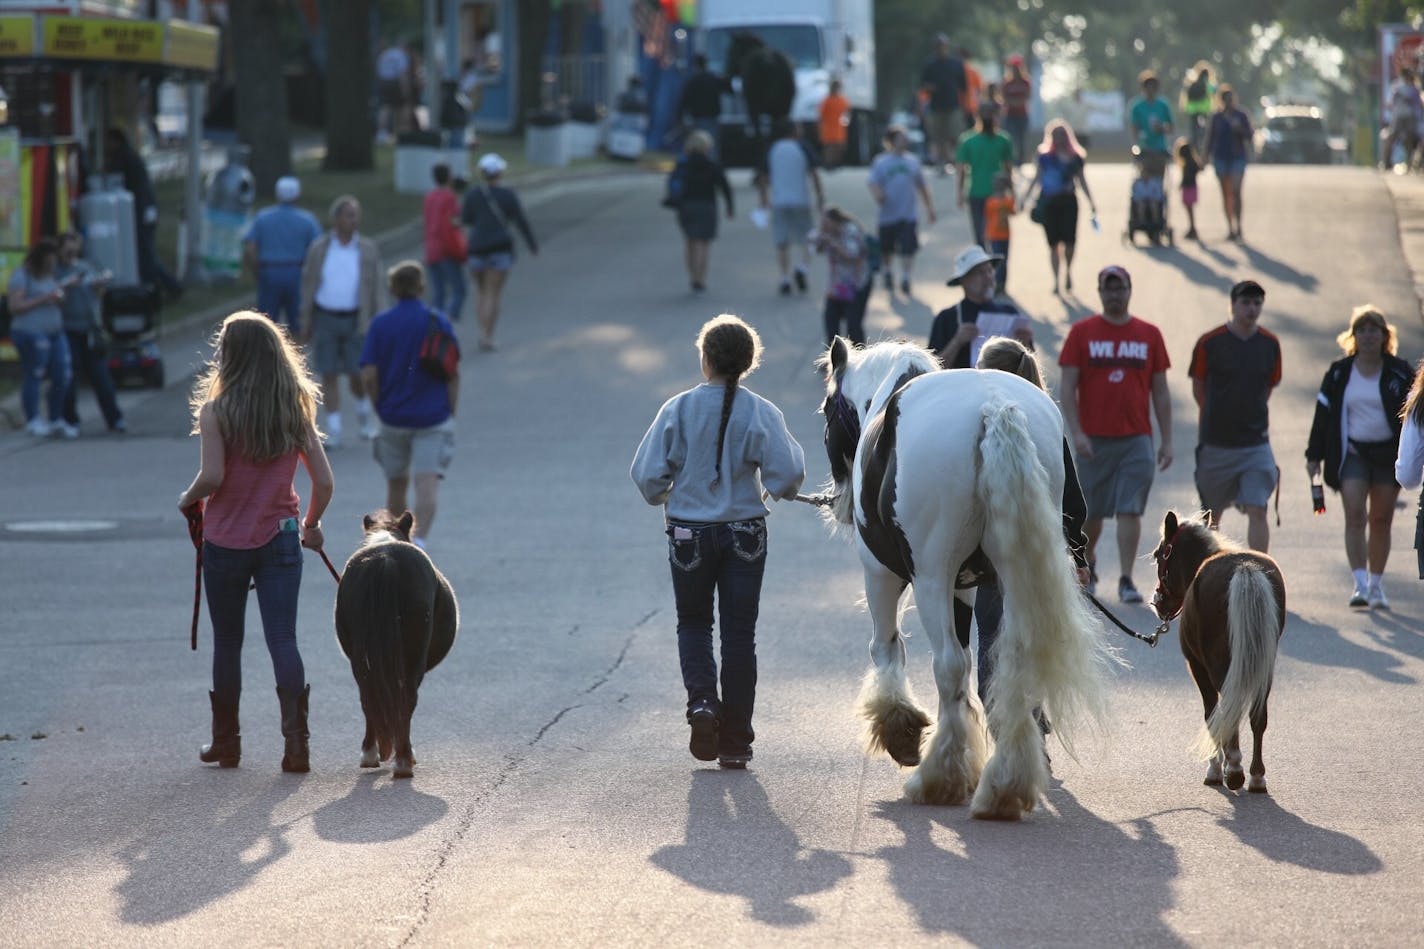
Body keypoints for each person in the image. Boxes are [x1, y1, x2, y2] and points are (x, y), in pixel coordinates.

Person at [630, 314, 806, 769]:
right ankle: (735, 741)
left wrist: (673, 495)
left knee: (693, 624)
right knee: (739, 634)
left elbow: (647, 477)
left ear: (705, 358)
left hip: (689, 532)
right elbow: (787, 476)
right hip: (745, 531)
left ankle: (703, 704)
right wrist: (770, 490)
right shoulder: (762, 411)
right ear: (749, 363)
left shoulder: (678, 408)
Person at [177, 311, 334, 773]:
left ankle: (227, 743)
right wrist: (311, 523)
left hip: (226, 542)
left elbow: (213, 476)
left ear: (232, 355)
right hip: (281, 538)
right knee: (283, 638)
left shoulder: (216, 412)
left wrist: (187, 499)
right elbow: (323, 482)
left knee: (227, 641)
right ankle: (297, 746)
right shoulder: (295, 407)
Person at [972, 337, 1091, 708]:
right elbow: (1070, 495)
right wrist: (1078, 553)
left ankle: (997, 724)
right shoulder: (1044, 420)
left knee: (992, 635)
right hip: (1039, 555)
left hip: (988, 555)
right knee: (1033, 637)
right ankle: (1035, 728)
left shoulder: (974, 422)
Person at [1058, 265, 1173, 602]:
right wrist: (1076, 433)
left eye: (1119, 288)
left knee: (1130, 509)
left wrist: (1166, 440)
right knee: (1092, 513)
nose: (1114, 295)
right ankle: (1088, 564)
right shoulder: (1082, 333)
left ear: (1129, 290)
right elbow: (1067, 387)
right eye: (1108, 289)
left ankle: (1126, 579)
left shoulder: (1148, 334)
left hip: (1136, 438)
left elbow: (1161, 392)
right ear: (1099, 292)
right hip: (1093, 441)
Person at [1306, 306, 1412, 610]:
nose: (1367, 336)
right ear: (1353, 336)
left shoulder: (1399, 371)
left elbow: (1416, 418)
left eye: (1373, 330)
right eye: (1361, 330)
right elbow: (1322, 416)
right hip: (1352, 454)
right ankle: (1360, 584)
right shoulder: (1339, 373)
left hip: (1387, 456)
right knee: (1355, 514)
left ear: (1384, 336)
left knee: (1381, 520)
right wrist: (1314, 456)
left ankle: (1377, 586)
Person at [359, 262, 459, 549]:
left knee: (396, 484)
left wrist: (380, 404)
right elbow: (453, 372)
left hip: (393, 417)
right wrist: (450, 409)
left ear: (392, 288)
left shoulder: (380, 325)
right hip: (432, 417)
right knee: (426, 485)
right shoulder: (438, 321)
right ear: (422, 287)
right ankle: (422, 542)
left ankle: (398, 542)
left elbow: (368, 374)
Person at [1188, 280, 1282, 552]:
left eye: (1257, 303)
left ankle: (1259, 566)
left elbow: (1269, 385)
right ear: (1232, 305)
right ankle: (1211, 569)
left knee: (1257, 507)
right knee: (1211, 516)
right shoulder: (1210, 342)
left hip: (1255, 443)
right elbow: (1198, 386)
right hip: (1216, 445)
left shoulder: (1270, 343)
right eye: (1246, 303)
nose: (1252, 309)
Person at [299, 195, 384, 449]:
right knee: (328, 373)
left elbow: (376, 287)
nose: (354, 219)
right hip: (325, 316)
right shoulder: (320, 247)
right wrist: (305, 319)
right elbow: (308, 283)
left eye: (356, 214)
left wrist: (379, 322)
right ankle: (334, 429)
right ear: (336, 219)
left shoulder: (367, 248)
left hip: (356, 319)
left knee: (357, 372)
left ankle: (364, 417)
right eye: (348, 215)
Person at [461, 152, 539, 351]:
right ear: (500, 173)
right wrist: (532, 245)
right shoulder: (508, 195)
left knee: (481, 293)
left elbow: (466, 219)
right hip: (500, 249)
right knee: (493, 294)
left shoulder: (473, 194)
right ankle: (488, 336)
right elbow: (520, 221)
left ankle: (482, 332)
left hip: (476, 248)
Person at [55, 231, 124, 435]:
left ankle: (115, 419)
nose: (72, 254)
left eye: (75, 249)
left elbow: (99, 291)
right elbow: (53, 294)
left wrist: (99, 284)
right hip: (67, 330)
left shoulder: (85, 267)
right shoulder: (56, 272)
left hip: (89, 331)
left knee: (101, 376)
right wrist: (67, 285)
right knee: (69, 379)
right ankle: (70, 421)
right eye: (68, 249)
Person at [1018, 120, 1097, 295]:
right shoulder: (1044, 156)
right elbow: (1037, 178)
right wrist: (1024, 198)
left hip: (1068, 202)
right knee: (1053, 244)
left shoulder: (1076, 157)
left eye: (1062, 134)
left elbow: (1082, 180)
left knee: (1069, 242)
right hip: (1049, 203)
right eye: (1056, 135)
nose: (1059, 138)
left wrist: (1091, 202)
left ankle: (1068, 271)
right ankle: (1056, 280)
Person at [7, 238, 74, 437]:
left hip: (55, 331)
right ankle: (33, 419)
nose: (54, 263)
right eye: (51, 259)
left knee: (62, 374)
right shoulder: (22, 276)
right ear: (42, 257)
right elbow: (15, 307)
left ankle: (56, 419)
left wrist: (61, 297)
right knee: (34, 374)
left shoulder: (50, 275)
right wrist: (45, 299)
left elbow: (56, 294)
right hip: (30, 332)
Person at [106, 128, 182, 301]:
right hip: (145, 211)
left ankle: (163, 288)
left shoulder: (124, 158)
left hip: (142, 213)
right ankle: (165, 287)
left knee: (145, 255)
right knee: (146, 254)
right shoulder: (130, 156)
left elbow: (133, 187)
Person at [929, 245, 1033, 371]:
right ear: (964, 281)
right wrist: (957, 342)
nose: (988, 277)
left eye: (990, 271)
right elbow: (932, 371)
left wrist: (1025, 345)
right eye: (980, 273)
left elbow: (1031, 369)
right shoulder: (947, 318)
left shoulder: (1010, 313)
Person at [243, 175, 322, 336]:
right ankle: (296, 357)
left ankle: (268, 357)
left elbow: (250, 249)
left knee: (266, 325)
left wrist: (257, 271)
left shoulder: (262, 218)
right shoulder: (307, 220)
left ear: (277, 194)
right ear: (297, 195)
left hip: (269, 272)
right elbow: (318, 250)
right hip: (297, 273)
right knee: (299, 324)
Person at [756, 120, 823, 297]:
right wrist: (820, 196)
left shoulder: (772, 149)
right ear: (794, 131)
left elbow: (762, 177)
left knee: (782, 241)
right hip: (801, 199)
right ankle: (803, 267)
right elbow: (814, 173)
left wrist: (764, 199)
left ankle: (784, 277)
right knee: (807, 237)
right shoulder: (803, 147)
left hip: (779, 200)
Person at [867, 125, 935, 296]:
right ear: (891, 141)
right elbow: (873, 182)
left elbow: (922, 186)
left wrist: (929, 208)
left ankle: (905, 277)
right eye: (900, 138)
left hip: (908, 213)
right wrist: (879, 195)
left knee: (908, 248)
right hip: (888, 214)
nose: (904, 141)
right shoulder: (881, 162)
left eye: (905, 138)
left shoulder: (912, 161)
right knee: (887, 249)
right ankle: (888, 272)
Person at [674, 129, 734, 295]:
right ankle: (701, 279)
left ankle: (692, 276)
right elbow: (724, 186)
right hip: (706, 206)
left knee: (690, 241)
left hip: (686, 206)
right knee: (703, 243)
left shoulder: (683, 164)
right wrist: (730, 206)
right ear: (707, 146)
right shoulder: (711, 164)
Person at [955, 103, 1014, 248]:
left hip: (998, 194)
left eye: (991, 113)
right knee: (980, 234)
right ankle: (984, 267)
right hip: (976, 192)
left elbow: (1008, 169)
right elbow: (961, 169)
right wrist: (960, 193)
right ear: (978, 115)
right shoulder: (967, 140)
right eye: (984, 113)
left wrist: (1012, 192)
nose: (988, 116)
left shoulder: (1004, 139)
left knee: (998, 235)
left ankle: (997, 268)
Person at [810, 205, 870, 345]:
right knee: (830, 320)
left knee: (853, 326)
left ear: (835, 221)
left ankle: (860, 357)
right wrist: (821, 239)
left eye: (826, 223)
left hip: (857, 284)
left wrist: (833, 243)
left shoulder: (850, 230)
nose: (824, 227)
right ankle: (832, 357)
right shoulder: (826, 233)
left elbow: (852, 255)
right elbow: (813, 246)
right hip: (837, 286)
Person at [1202, 85, 1253, 242]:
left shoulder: (1241, 115)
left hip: (1237, 157)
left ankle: (1239, 227)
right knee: (1226, 194)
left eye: (1231, 99)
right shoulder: (1216, 118)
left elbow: (1250, 135)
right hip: (1220, 157)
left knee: (1236, 191)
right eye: (1226, 99)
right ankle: (1230, 227)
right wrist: (1205, 156)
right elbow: (1210, 138)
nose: (1229, 102)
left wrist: (1239, 129)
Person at [423, 163, 466, 320]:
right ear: (448, 176)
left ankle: (434, 324)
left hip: (431, 248)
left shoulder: (429, 197)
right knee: (459, 289)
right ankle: (446, 321)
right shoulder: (449, 196)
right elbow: (454, 221)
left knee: (439, 292)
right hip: (446, 248)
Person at [919, 35, 968, 175]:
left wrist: (965, 107)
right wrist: (930, 88)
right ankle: (941, 164)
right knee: (938, 137)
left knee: (955, 136)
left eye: (943, 45)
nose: (941, 48)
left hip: (953, 106)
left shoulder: (956, 64)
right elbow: (923, 85)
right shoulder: (929, 65)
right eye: (938, 45)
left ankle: (956, 162)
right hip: (936, 107)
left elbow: (963, 88)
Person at [678, 54, 726, 157]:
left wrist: (681, 118)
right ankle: (711, 168)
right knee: (713, 147)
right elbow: (729, 87)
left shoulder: (692, 81)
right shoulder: (714, 78)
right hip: (713, 118)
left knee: (698, 146)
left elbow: (684, 102)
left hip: (698, 119)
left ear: (696, 65)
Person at [1383, 67, 1422, 169]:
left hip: (1410, 116)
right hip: (1399, 116)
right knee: (1392, 137)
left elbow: (1418, 105)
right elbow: (1389, 103)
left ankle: (1409, 163)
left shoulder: (1414, 89)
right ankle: (1386, 163)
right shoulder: (1397, 87)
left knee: (1409, 139)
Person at [1129, 71, 1174, 157]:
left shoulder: (1163, 105)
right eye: (1148, 87)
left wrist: (1162, 128)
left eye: (1153, 87)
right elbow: (1134, 128)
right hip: (1144, 148)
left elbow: (1171, 128)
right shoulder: (1137, 107)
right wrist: (1137, 142)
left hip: (1161, 148)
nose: (1150, 90)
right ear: (1143, 88)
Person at [983, 172, 1015, 295]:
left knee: (1005, 260)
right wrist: (985, 233)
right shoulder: (990, 201)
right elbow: (986, 218)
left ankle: (1003, 285)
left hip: (1005, 235)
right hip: (994, 235)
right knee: (996, 261)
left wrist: (1011, 195)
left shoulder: (1008, 201)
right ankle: (995, 284)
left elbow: (1013, 212)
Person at [375, 37, 411, 142]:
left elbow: (379, 72)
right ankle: (400, 133)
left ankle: (381, 133)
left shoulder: (384, 54)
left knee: (384, 108)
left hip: (383, 82)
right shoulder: (401, 55)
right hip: (395, 83)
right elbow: (402, 74)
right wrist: (405, 90)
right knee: (400, 109)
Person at [1001, 56, 1033, 164]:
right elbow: (1004, 98)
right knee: (1012, 138)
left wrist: (1017, 102)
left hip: (1023, 115)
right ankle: (1012, 160)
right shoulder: (1007, 83)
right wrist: (1013, 102)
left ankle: (1021, 161)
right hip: (1010, 115)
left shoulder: (1026, 82)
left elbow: (1027, 96)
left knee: (1022, 139)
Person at [1180, 61, 1215, 154]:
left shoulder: (1192, 83)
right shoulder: (1207, 84)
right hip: (1203, 111)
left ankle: (1194, 148)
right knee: (1205, 131)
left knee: (1193, 131)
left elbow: (1186, 96)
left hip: (1192, 110)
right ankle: (1202, 148)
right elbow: (1214, 91)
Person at [1175, 137, 1203, 241]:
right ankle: (1192, 228)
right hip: (1192, 188)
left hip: (1189, 188)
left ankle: (1192, 228)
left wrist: (1181, 184)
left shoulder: (1188, 164)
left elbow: (1187, 177)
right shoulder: (1192, 162)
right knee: (1189, 209)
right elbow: (1200, 168)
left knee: (1189, 209)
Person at [818, 78, 850, 170]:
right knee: (829, 147)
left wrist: (845, 123)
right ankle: (828, 163)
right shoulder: (827, 100)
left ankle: (836, 162)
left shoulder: (843, 100)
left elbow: (846, 114)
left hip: (839, 127)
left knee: (838, 146)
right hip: (829, 127)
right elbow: (821, 115)